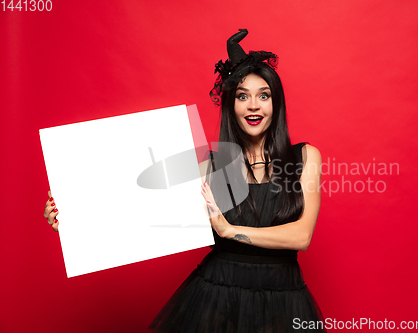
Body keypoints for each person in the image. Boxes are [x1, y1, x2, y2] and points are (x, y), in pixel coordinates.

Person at [44, 29, 325, 332]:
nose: (253, 105)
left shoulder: (305, 158)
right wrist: (75, 221)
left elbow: (301, 236)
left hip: (282, 299)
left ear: (276, 103)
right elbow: (143, 214)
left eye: (263, 96)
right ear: (231, 105)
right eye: (242, 96)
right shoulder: (210, 168)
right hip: (217, 295)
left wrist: (229, 230)